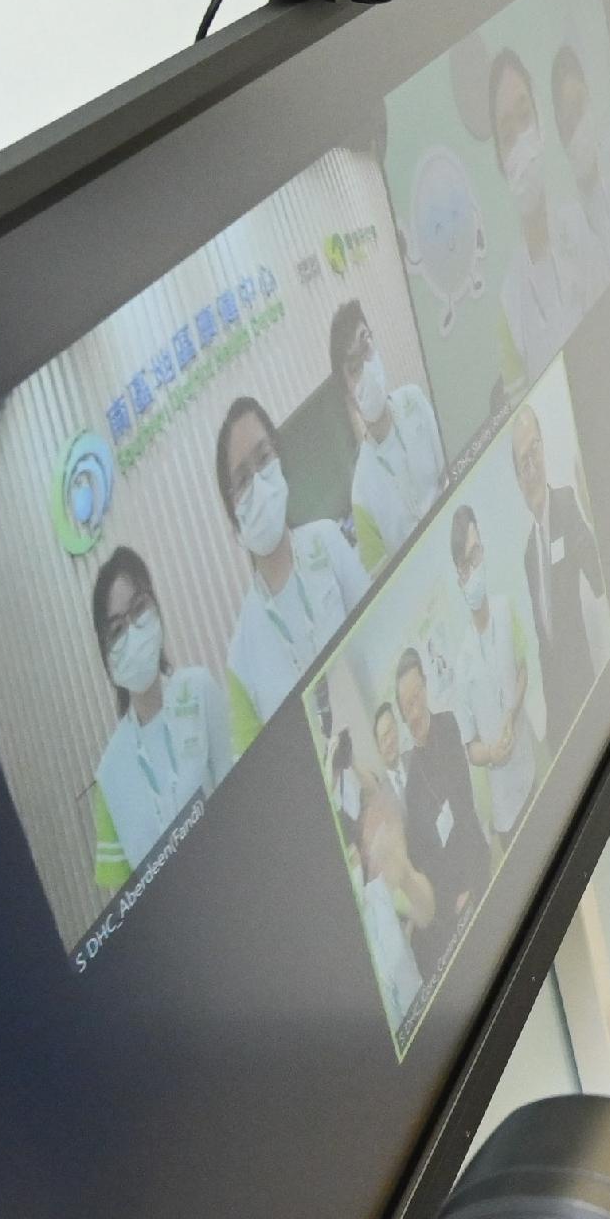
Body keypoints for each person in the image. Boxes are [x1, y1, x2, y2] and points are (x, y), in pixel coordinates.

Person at [215, 395, 370, 749]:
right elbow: (260, 769)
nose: (257, 484)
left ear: (280, 460)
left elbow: (378, 632)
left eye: (264, 458)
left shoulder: (328, 541)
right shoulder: (241, 654)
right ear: (232, 513)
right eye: (241, 480)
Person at [85, 546, 226, 893]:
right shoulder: (109, 775)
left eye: (139, 610)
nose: (132, 632)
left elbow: (242, 797)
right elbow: (126, 908)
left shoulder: (200, 690)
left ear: (156, 607)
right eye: (117, 629)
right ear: (106, 653)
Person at [491, 47, 610, 383]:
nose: (521, 146)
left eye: (525, 116)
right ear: (501, 163)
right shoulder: (508, 303)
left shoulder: (582, 226)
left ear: (542, 125)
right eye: (507, 137)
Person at [334, 295, 450, 570]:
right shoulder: (361, 491)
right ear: (348, 395)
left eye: (367, 346)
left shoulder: (414, 401)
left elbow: (449, 469)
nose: (366, 366)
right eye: (354, 368)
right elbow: (383, 579)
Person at [451, 500, 544, 839]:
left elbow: (522, 671)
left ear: (484, 553)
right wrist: (490, 752)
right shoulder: (461, 664)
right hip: (504, 806)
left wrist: (511, 711)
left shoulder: (506, 610)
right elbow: (470, 745)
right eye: (465, 564)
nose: (473, 570)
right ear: (458, 575)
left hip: (529, 766)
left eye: (476, 555)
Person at [517, 403, 610, 719]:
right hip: (559, 704)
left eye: (535, 450)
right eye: (523, 462)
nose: (531, 467)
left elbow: (600, 577)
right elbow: (545, 640)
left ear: (544, 449)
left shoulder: (567, 503)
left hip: (590, 681)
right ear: (518, 478)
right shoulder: (530, 552)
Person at [395, 647, 491, 930]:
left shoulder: (447, 725)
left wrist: (470, 881)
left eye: (417, 695)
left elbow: (463, 804)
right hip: (455, 893)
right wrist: (453, 896)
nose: (414, 709)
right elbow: (428, 855)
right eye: (406, 705)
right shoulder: (412, 785)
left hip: (476, 859)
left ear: (425, 687)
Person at [352, 767, 442, 1015]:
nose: (379, 825)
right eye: (370, 816)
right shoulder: (360, 882)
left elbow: (425, 912)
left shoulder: (401, 844)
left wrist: (402, 872)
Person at [552, 39, 610, 267]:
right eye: (567, 120)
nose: (577, 125)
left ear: (589, 97)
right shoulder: (568, 218)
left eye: (579, 104)